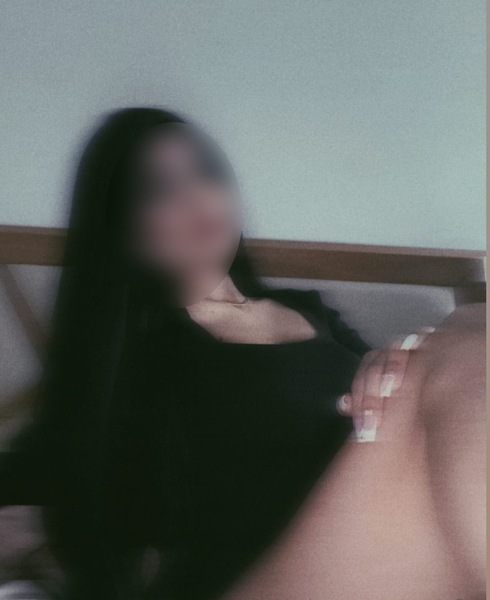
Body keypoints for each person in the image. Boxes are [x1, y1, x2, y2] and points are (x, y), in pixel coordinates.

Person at [0, 108, 484, 600]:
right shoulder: (140, 359)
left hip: (380, 524)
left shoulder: (305, 307)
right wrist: (36, 547)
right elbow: (55, 470)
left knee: (467, 324)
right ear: (122, 227)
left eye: (207, 172)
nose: (197, 196)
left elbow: (392, 397)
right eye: (160, 189)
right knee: (459, 341)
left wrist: (387, 367)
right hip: (262, 575)